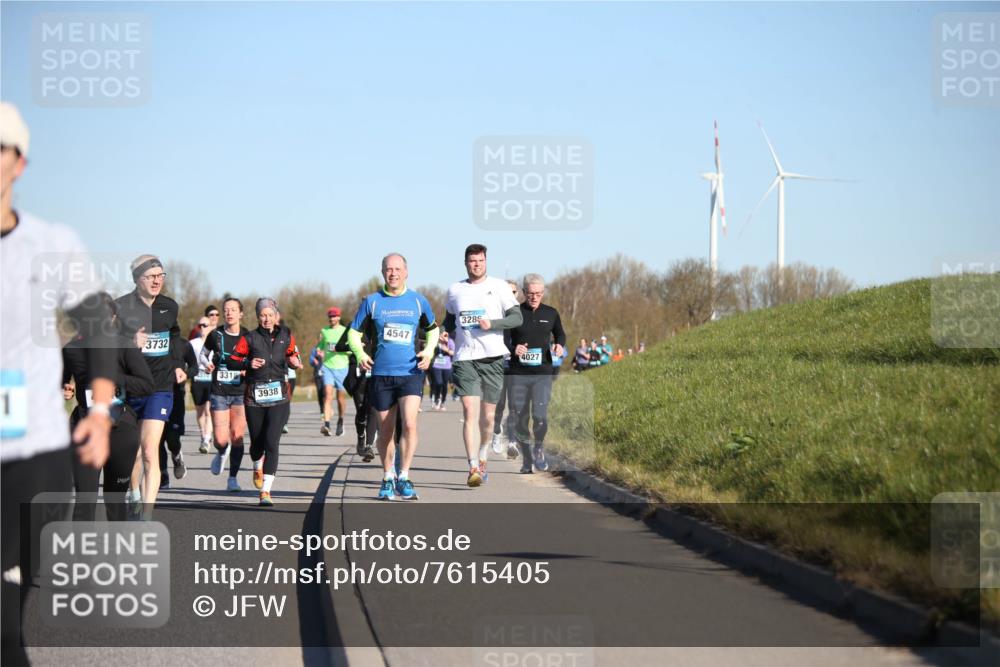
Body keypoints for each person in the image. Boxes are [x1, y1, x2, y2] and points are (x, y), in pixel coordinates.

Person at [2, 101, 116, 666]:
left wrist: (98, 410)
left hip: (32, 449)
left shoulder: (51, 243)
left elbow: (96, 323)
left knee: (5, 623)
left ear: (18, 163)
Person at [347, 253, 438, 500]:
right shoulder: (373, 302)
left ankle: (404, 476)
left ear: (406, 272)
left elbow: (433, 329)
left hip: (410, 373)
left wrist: (428, 352)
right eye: (389, 269)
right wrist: (360, 353)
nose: (393, 273)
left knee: (409, 424)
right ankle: (388, 477)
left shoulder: (418, 301)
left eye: (398, 269)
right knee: (386, 431)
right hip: (381, 375)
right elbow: (353, 333)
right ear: (383, 272)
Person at [63, 294, 154, 521]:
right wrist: (64, 389)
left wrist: (114, 378)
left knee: (115, 500)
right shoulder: (71, 348)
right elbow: (61, 382)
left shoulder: (124, 346)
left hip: (121, 429)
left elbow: (146, 385)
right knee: (85, 499)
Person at [444, 244, 522, 487]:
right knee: (469, 412)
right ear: (465, 263)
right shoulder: (455, 290)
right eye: (472, 261)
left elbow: (516, 317)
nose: (476, 264)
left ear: (486, 262)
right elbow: (449, 320)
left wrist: (493, 324)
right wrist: (444, 333)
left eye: (480, 260)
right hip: (465, 358)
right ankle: (472, 466)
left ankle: (484, 455)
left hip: (493, 358)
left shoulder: (498, 287)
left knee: (487, 418)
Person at [115, 254, 184, 519]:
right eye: (151, 276)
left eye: (161, 275)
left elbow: (175, 335)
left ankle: (146, 514)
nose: (157, 281)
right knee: (131, 454)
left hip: (160, 387)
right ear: (137, 279)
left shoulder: (170, 306)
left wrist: (178, 363)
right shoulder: (121, 307)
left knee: (148, 449)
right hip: (130, 389)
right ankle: (133, 492)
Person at [224, 298, 303, 506]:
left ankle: (266, 491)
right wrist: (248, 363)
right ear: (257, 317)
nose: (266, 319)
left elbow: (293, 355)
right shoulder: (249, 338)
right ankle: (257, 464)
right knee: (257, 443)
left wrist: (294, 362)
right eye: (262, 315)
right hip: (254, 397)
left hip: (279, 395)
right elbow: (231, 361)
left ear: (276, 315)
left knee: (272, 442)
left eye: (270, 315)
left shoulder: (286, 334)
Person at [505, 274, 565, 473]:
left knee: (539, 416)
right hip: (518, 373)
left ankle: (538, 447)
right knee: (520, 416)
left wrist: (559, 345)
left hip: (542, 373)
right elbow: (504, 340)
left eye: (538, 293)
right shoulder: (514, 314)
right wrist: (514, 348)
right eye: (530, 293)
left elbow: (560, 334)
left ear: (543, 293)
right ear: (523, 292)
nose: (534, 297)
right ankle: (527, 460)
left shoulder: (551, 313)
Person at [200, 297, 249, 492]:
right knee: (221, 439)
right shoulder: (215, 334)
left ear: (241, 313)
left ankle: (233, 478)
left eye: (233, 310)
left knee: (237, 435)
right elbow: (202, 355)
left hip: (239, 392)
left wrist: (248, 370)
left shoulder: (248, 337)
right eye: (226, 310)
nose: (229, 313)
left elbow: (256, 360)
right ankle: (221, 453)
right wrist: (206, 364)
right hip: (219, 391)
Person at [157, 334, 198, 489]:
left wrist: (186, 374)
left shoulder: (183, 344)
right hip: (156, 395)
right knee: (157, 440)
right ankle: (162, 474)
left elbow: (195, 367)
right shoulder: (150, 343)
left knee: (172, 438)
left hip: (176, 397)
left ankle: (176, 456)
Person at [490, 280, 520, 457]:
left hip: (515, 366)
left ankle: (513, 441)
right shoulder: (495, 312)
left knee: (515, 405)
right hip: (498, 365)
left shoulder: (521, 314)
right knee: (499, 405)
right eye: (507, 292)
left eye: (514, 292)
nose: (511, 295)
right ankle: (497, 432)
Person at [316, 307, 349, 437]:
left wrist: (339, 349)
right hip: (327, 367)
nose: (332, 319)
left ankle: (341, 421)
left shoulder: (345, 331)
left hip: (342, 367)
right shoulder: (324, 331)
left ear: (339, 317)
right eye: (330, 317)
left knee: (340, 398)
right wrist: (319, 350)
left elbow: (350, 349)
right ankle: (327, 424)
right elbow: (321, 345)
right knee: (328, 395)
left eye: (335, 316)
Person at [189, 316, 215, 452]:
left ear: (211, 326)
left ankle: (206, 439)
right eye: (201, 325)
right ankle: (203, 434)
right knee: (199, 411)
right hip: (197, 379)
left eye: (206, 325)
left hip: (211, 380)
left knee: (208, 410)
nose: (203, 328)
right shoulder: (193, 343)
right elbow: (188, 361)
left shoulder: (215, 342)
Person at [429, 331, 455, 410]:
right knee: (438, 383)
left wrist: (446, 349)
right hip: (436, 365)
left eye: (445, 335)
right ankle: (437, 399)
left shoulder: (450, 341)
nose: (443, 336)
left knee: (444, 384)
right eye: (442, 334)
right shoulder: (435, 341)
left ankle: (443, 402)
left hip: (447, 366)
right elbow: (430, 350)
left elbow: (453, 353)